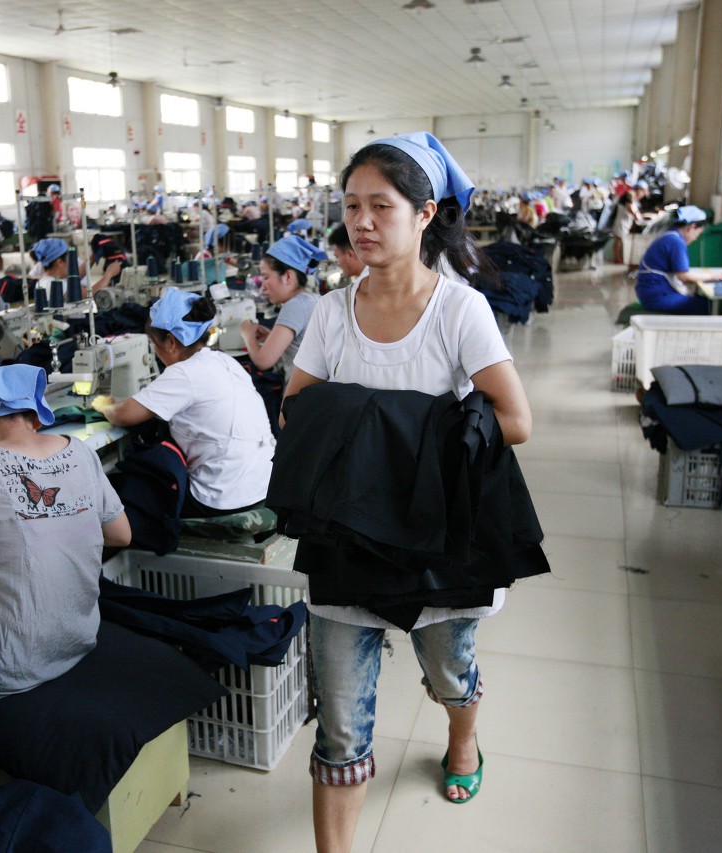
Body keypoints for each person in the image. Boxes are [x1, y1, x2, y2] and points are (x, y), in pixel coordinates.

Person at [281, 132, 531, 851]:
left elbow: (515, 421)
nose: (361, 221)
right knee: (340, 725)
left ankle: (462, 737)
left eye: (380, 206)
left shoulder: (460, 313)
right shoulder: (332, 311)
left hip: (436, 533)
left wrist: (385, 434)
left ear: (425, 214)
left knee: (451, 673)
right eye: (352, 205)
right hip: (348, 532)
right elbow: (296, 408)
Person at [0, 365, 131, 697]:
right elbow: (122, 535)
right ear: (36, 418)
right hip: (82, 638)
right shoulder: (80, 450)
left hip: (19, 666)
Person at [92, 288, 274, 518]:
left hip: (222, 497)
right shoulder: (224, 360)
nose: (156, 353)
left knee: (123, 488)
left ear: (170, 342)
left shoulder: (184, 373)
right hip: (264, 484)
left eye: (154, 346)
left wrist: (102, 405)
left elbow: (123, 414)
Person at [239, 234, 325, 377]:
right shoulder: (313, 299)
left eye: (266, 277)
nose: (263, 287)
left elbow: (263, 361)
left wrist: (247, 335)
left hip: (301, 395)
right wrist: (271, 337)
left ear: (288, 277)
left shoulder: (295, 305)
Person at [634, 205, 722, 315]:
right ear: (691, 227)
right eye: (697, 234)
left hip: (649, 293)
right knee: (707, 307)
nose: (695, 238)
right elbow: (684, 276)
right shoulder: (676, 242)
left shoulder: (669, 236)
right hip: (657, 296)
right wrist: (711, 277)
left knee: (701, 300)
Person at [612, 181, 649, 264]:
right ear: (639, 189)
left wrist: (639, 216)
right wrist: (638, 218)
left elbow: (635, 209)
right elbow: (630, 208)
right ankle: (617, 258)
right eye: (642, 191)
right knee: (619, 240)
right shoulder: (630, 194)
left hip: (625, 222)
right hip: (621, 221)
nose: (642, 194)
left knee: (620, 240)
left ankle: (619, 257)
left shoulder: (633, 196)